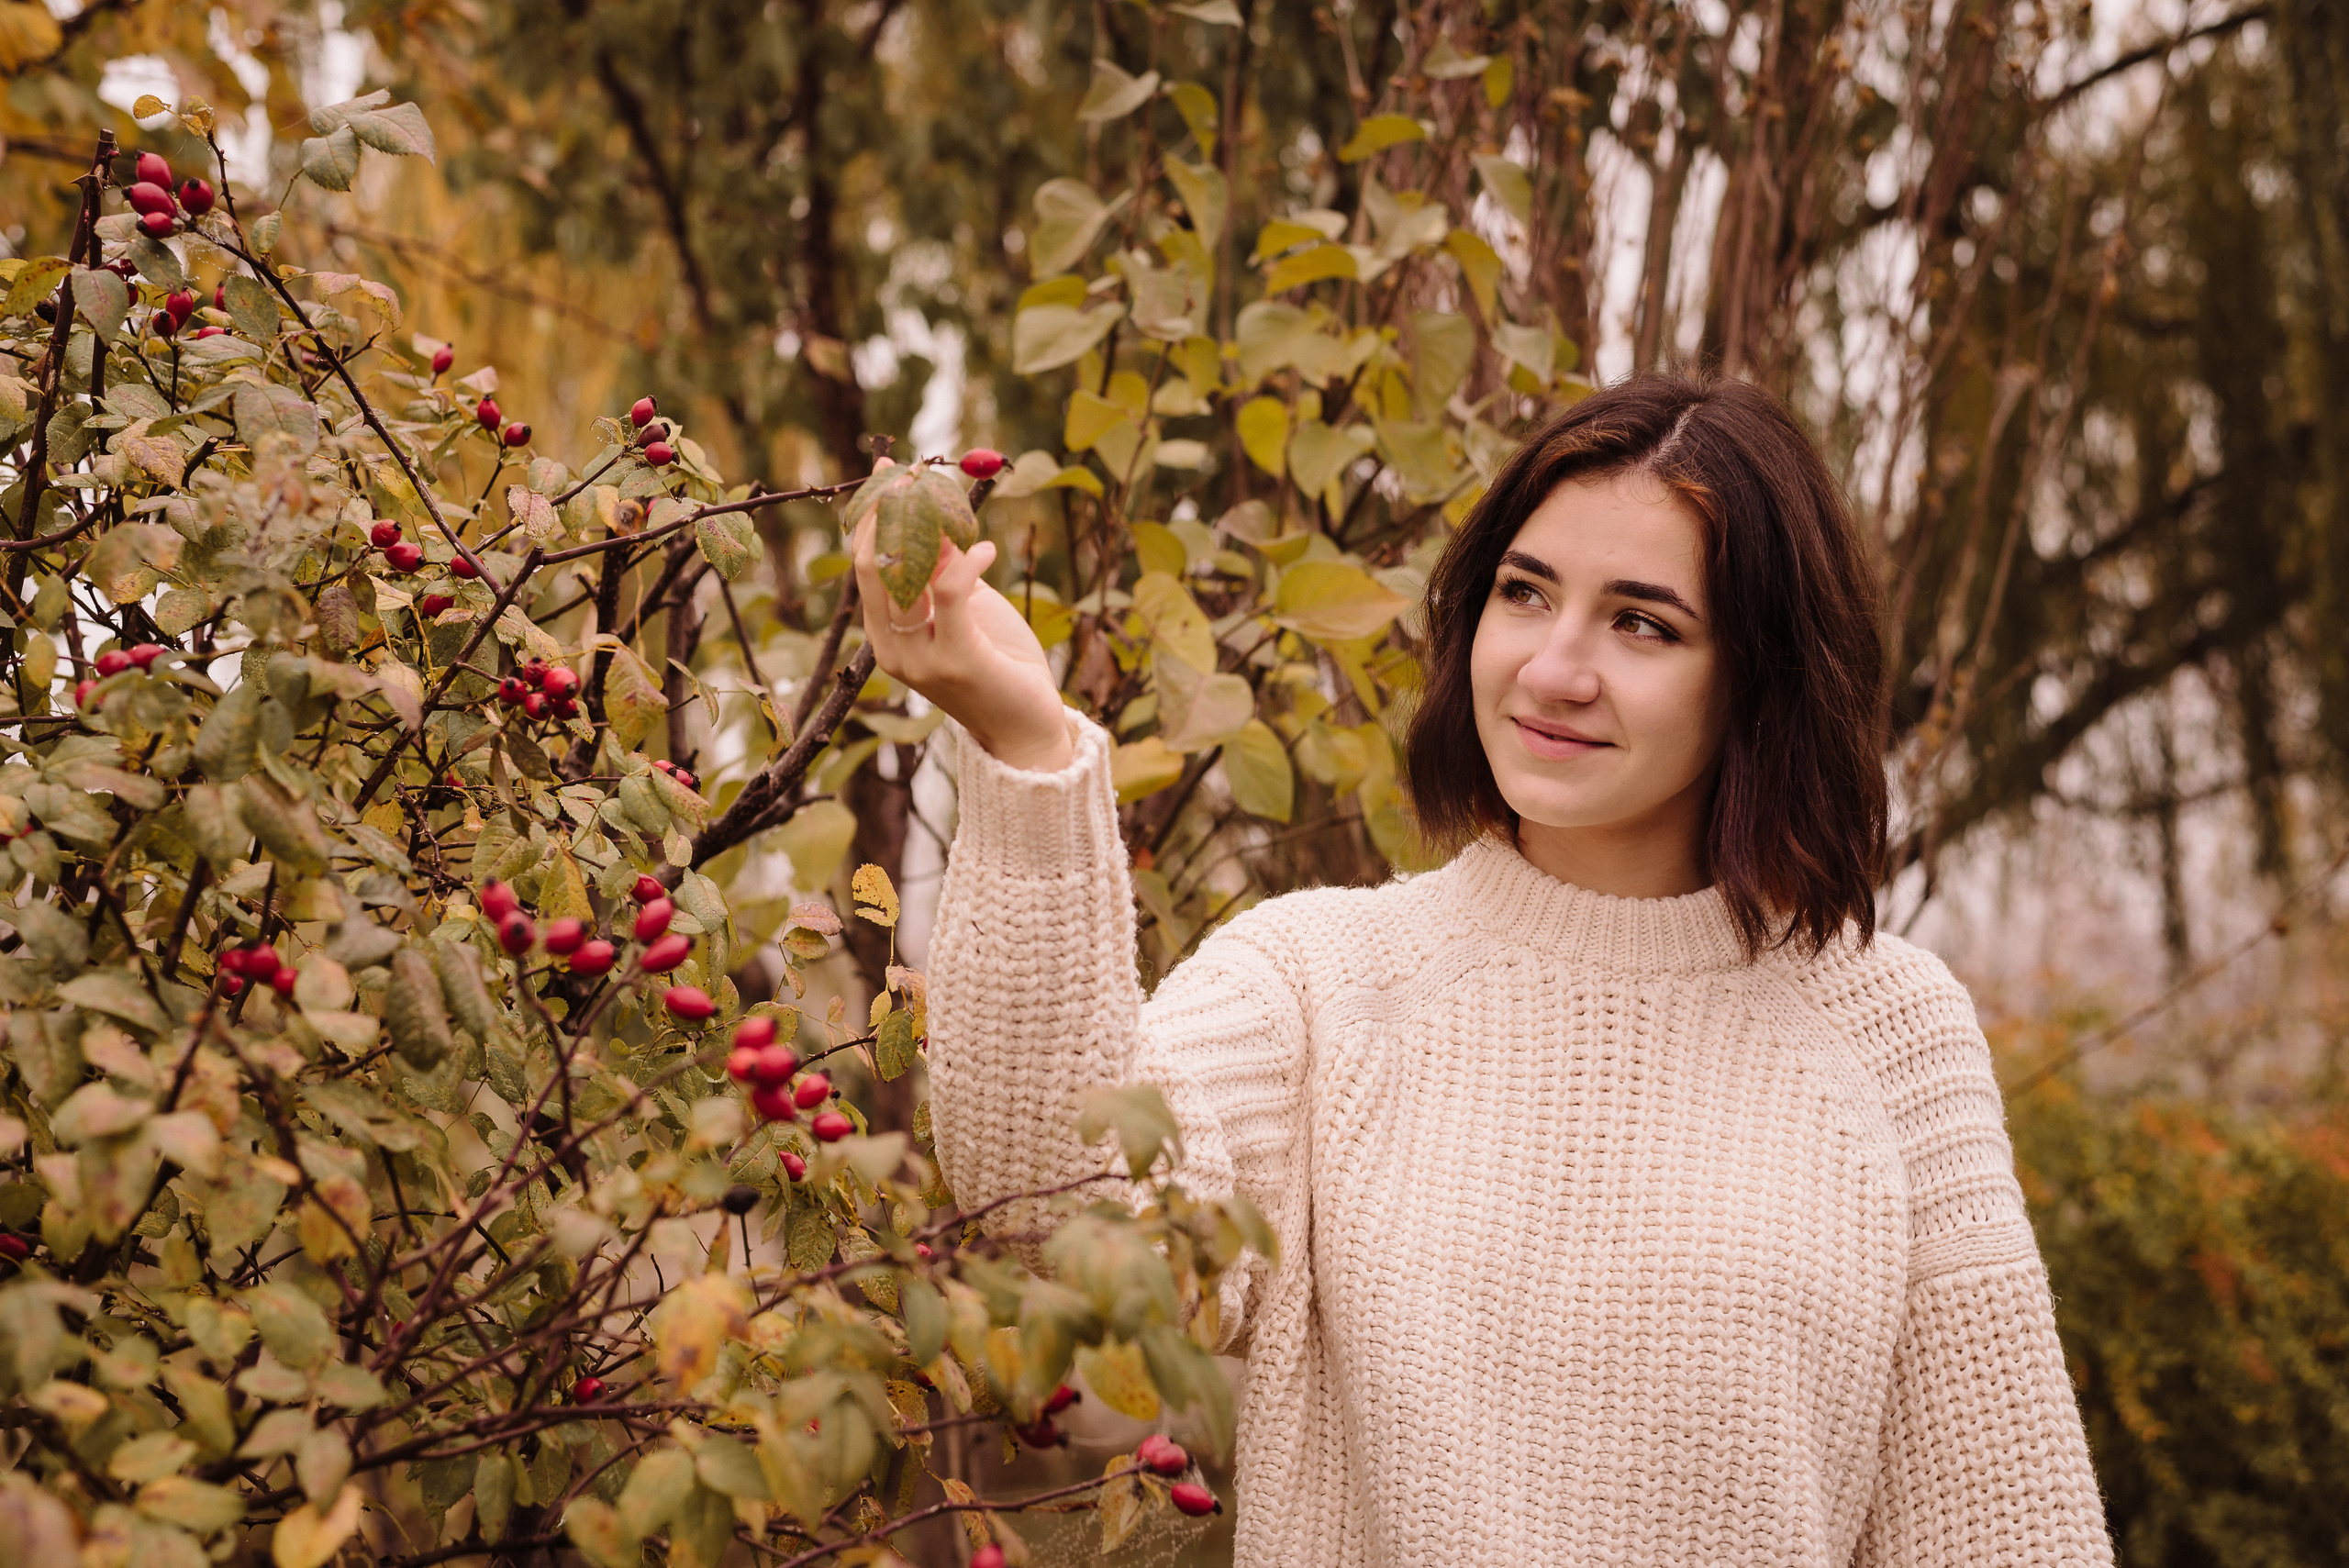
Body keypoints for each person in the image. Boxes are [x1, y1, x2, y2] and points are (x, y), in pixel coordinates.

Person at [851, 371, 2113, 1567]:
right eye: (1525, 591)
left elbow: (2002, 1526)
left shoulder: (1890, 1032)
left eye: (1641, 621)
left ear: (1760, 679)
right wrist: (1022, 742)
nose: (1554, 668)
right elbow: (1061, 1209)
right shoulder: (1319, 983)